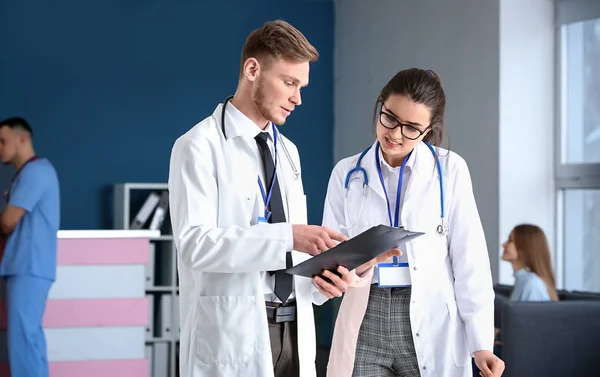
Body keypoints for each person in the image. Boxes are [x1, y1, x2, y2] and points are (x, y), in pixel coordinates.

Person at [168, 20, 354, 377]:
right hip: (233, 336)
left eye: (302, 86)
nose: (297, 98)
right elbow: (194, 245)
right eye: (289, 83)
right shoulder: (198, 146)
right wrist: (288, 236)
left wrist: (322, 285)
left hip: (294, 331)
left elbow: (289, 253)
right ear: (252, 69)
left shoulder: (288, 152)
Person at [322, 68, 505, 377]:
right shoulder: (346, 173)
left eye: (411, 128)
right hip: (366, 313)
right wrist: (363, 260)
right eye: (390, 118)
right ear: (381, 105)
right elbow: (330, 258)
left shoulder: (450, 171)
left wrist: (481, 343)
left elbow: (469, 261)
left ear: (428, 129)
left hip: (429, 314)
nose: (394, 134)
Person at [0, 117, 60, 377]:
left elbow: (8, 221)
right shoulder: (27, 174)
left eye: (2, 141)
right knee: (29, 340)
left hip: (29, 266)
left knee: (24, 341)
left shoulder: (36, 172)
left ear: (22, 139)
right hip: (27, 266)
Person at [501, 224, 558, 301]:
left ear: (524, 247)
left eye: (510, 240)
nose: (503, 244)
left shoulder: (533, 284)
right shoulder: (523, 281)